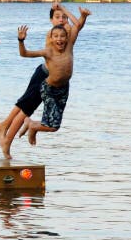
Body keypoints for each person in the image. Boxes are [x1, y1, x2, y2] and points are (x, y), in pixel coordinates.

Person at [0, 3, 90, 159]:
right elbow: (27, 53)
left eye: (64, 17)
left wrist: (80, 15)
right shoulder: (52, 38)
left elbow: (78, 25)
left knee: (26, 105)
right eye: (57, 17)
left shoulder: (67, 38)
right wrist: (21, 41)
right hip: (45, 76)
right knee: (26, 108)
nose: (61, 20)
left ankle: (6, 124)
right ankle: (7, 140)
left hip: (59, 83)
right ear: (51, 20)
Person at [15, 14, 85, 145]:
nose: (60, 39)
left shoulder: (69, 46)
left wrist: (84, 16)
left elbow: (78, 26)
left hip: (64, 89)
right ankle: (33, 126)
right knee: (51, 126)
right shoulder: (48, 52)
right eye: (56, 36)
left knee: (55, 126)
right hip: (49, 89)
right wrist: (21, 41)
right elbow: (24, 54)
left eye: (62, 36)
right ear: (51, 39)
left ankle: (31, 124)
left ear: (67, 38)